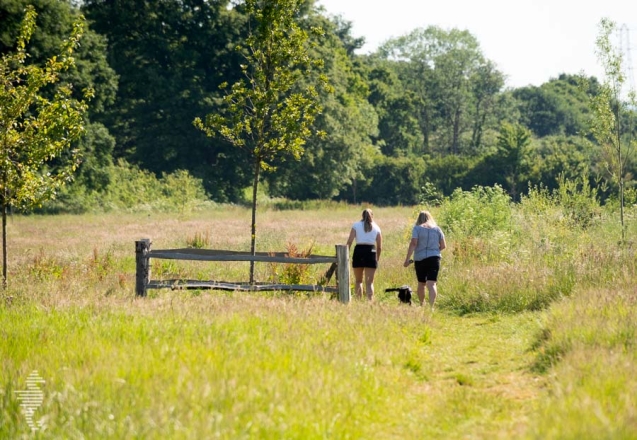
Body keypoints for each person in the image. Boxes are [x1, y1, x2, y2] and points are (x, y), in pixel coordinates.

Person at [403, 210, 446, 310]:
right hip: (434, 258)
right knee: (432, 283)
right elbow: (443, 245)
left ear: (419, 219)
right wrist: (434, 251)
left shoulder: (417, 229)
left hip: (420, 259)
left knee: (421, 283)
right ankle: (432, 307)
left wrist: (407, 259)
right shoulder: (437, 229)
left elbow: (413, 244)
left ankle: (422, 304)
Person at [346, 209, 382, 300]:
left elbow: (350, 241)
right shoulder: (377, 228)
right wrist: (377, 258)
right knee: (369, 283)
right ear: (372, 216)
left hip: (359, 251)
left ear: (362, 216)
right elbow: (379, 247)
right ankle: (370, 301)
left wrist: (346, 253)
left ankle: (359, 300)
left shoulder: (356, 226)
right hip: (371, 252)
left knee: (358, 281)